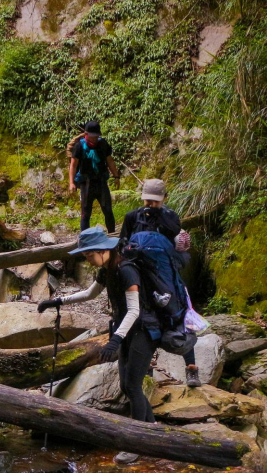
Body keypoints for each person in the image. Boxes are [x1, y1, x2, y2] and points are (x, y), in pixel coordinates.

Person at [38, 226, 156, 423]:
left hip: (143, 332)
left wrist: (115, 340)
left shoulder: (126, 270)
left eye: (90, 255)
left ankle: (135, 442)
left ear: (103, 250)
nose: (88, 260)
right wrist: (57, 301)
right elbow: (89, 294)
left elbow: (135, 310)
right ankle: (152, 428)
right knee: (126, 386)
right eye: (85, 255)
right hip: (125, 331)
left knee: (133, 387)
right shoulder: (106, 269)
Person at [118, 179, 201, 388]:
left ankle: (191, 368)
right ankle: (145, 368)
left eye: (155, 201)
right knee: (146, 320)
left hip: (166, 275)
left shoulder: (170, 216)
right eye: (147, 200)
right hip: (141, 276)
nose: (150, 205)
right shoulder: (132, 217)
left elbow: (176, 237)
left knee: (177, 316)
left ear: (165, 198)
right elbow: (122, 242)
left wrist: (160, 217)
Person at [69, 121, 120, 233]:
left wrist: (116, 176)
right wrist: (71, 183)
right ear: (86, 134)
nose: (94, 139)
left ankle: (112, 236)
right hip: (86, 184)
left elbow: (110, 161)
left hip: (101, 182)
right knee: (85, 213)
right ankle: (85, 239)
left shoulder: (103, 144)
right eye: (92, 136)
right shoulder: (79, 146)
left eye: (96, 136)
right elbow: (73, 165)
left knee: (108, 211)